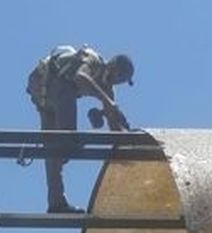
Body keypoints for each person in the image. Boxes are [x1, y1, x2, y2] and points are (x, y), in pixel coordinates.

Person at [26, 45, 135, 213]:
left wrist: (125, 141)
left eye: (122, 80)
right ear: (112, 64)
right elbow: (80, 77)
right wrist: (106, 102)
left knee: (52, 151)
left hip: (46, 98)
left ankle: (56, 203)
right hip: (47, 82)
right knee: (69, 139)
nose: (118, 81)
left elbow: (113, 127)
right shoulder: (93, 61)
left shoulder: (108, 90)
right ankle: (65, 147)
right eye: (119, 75)